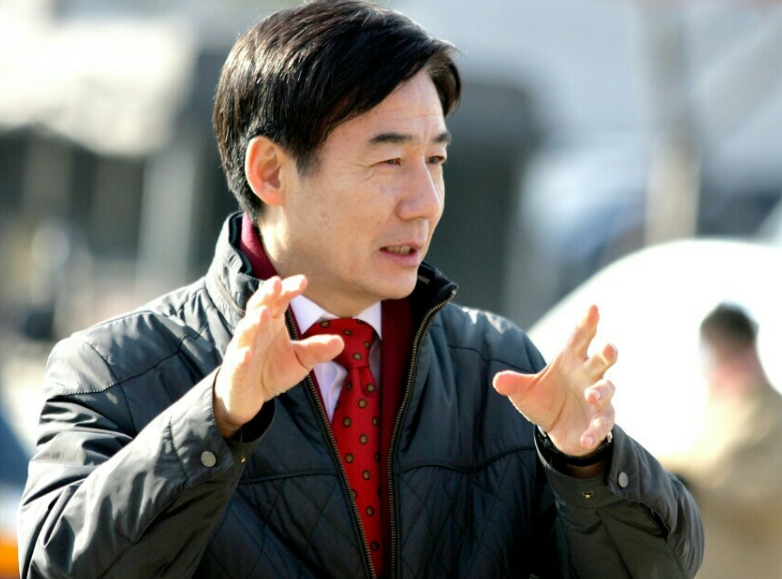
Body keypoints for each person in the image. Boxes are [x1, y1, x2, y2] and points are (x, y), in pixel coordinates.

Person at [17, 1, 703, 577]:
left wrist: (589, 465)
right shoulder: (113, 369)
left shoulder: (497, 369)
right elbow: (56, 566)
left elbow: (662, 568)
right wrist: (216, 419)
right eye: (389, 160)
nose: (424, 201)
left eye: (436, 159)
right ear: (271, 172)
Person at [665, 303, 782, 579]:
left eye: (715, 349)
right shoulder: (716, 410)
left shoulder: (773, 413)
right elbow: (693, 463)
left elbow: (771, 497)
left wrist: (697, 488)